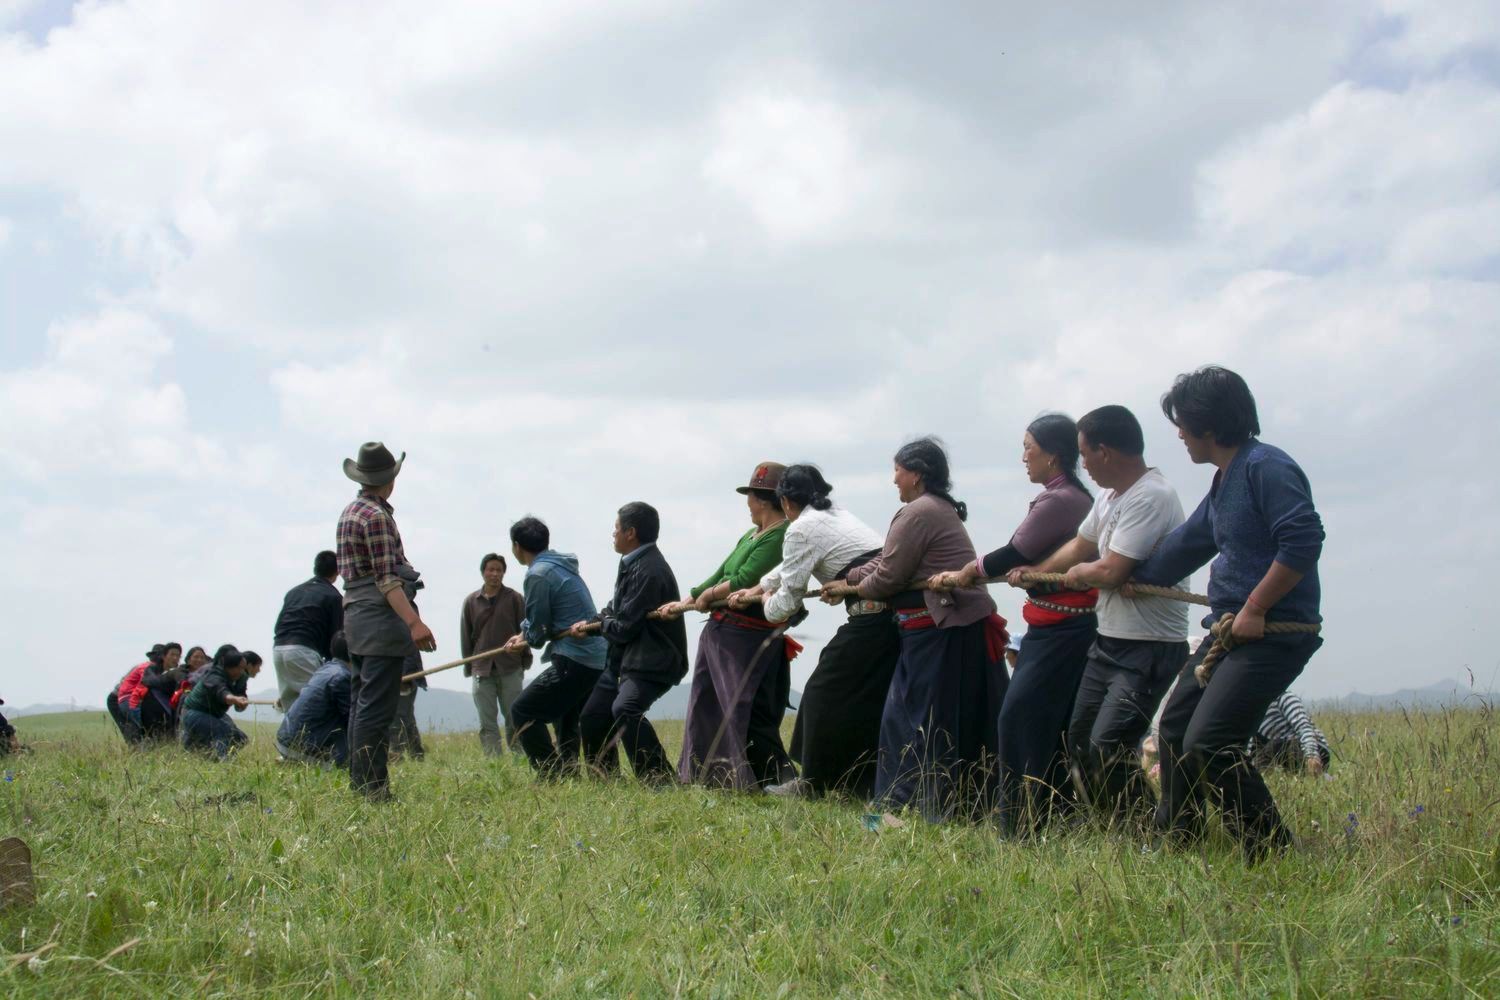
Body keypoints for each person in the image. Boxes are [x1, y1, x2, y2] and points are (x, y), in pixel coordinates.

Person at [1133, 366, 1325, 860]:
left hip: (1271, 633)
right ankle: (1180, 837)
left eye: (1182, 423)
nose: (1178, 434)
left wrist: (1257, 606)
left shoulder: (1267, 467)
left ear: (1209, 425)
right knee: (1175, 729)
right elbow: (1184, 547)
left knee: (1211, 742)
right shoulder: (1225, 481)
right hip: (1231, 635)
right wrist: (1119, 574)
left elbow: (1303, 539)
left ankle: (1271, 851)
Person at [1005, 405, 1189, 827]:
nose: (1082, 464)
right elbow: (1081, 545)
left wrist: (1077, 575)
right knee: (1080, 741)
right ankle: (1118, 826)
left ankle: (1147, 827)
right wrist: (1040, 574)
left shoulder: (1151, 496)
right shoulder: (1108, 496)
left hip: (1149, 646)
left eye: (1085, 454)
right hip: (1108, 640)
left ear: (1105, 452)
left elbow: (1109, 569)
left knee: (1109, 744)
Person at [821, 438, 1009, 822]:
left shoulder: (919, 512)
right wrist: (852, 578)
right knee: (928, 720)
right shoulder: (932, 509)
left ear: (917, 474)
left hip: (941, 631)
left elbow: (888, 578)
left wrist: (852, 588)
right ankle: (930, 807)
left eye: (898, 471)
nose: (894, 480)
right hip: (937, 631)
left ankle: (907, 808)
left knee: (918, 723)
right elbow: (887, 564)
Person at [932, 413, 1097, 836]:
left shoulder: (1060, 500)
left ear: (1054, 455)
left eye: (1029, 447)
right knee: (1054, 723)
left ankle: (1017, 824)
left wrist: (967, 572)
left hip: (1062, 627)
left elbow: (1014, 552)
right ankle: (1053, 816)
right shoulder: (1070, 496)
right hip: (1061, 623)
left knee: (1018, 717)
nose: (1024, 456)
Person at [729, 464, 897, 800]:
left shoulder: (801, 528)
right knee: (864, 702)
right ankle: (858, 784)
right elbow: (790, 568)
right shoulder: (835, 515)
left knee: (821, 694)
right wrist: (761, 586)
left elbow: (786, 603)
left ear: (786, 501)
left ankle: (813, 783)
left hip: (871, 617)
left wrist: (762, 601)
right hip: (889, 618)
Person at [668, 462, 798, 790]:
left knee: (740, 706)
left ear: (762, 499)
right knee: (706, 701)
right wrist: (690, 598)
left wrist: (708, 594)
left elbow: (744, 579)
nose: (747, 504)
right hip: (721, 629)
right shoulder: (749, 535)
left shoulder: (781, 535)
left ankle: (759, 779)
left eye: (750, 496)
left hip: (747, 635)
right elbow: (722, 571)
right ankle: (704, 775)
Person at [336, 442, 437, 801]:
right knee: (377, 710)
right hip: (378, 619)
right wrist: (414, 623)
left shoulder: (351, 511)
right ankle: (373, 789)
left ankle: (360, 783)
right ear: (390, 481)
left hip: (356, 618)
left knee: (361, 703)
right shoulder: (377, 517)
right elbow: (387, 579)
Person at [573, 502, 689, 784]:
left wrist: (602, 624)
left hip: (652, 660)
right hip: (625, 660)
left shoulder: (649, 570)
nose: (613, 534)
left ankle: (660, 781)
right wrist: (590, 625)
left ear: (631, 533)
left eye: (616, 529)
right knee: (592, 717)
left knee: (625, 709)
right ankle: (606, 781)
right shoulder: (632, 563)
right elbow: (615, 610)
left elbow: (624, 627)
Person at [502, 516, 610, 778]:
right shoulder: (561, 566)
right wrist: (523, 633)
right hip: (595, 655)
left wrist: (526, 638)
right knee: (565, 715)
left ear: (517, 546)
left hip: (576, 656)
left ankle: (553, 774)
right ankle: (569, 773)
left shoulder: (537, 575)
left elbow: (539, 633)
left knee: (523, 711)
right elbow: (542, 623)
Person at [461, 553, 531, 755]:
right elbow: (466, 636)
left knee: (513, 718)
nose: (494, 574)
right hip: (481, 668)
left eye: (499, 570)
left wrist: (524, 661)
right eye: (490, 569)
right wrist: (469, 666)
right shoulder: (471, 601)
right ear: (483, 572)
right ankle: (494, 763)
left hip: (510, 666)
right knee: (487, 721)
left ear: (504, 573)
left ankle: (519, 759)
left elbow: (526, 631)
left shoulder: (515, 598)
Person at [272, 551, 345, 712]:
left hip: (278, 649)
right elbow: (336, 638)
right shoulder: (333, 596)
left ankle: (292, 737)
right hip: (304, 651)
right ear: (338, 571)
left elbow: (279, 625)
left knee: (291, 705)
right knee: (320, 701)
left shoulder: (294, 592)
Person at [277, 632, 355, 765]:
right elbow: (353, 720)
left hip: (285, 742)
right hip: (304, 748)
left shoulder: (325, 670)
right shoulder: (342, 678)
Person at [179, 644, 251, 758]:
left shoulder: (241, 678)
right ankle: (222, 762)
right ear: (228, 666)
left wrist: (241, 704)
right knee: (222, 731)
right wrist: (234, 699)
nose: (241, 671)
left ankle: (214, 758)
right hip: (193, 712)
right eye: (239, 668)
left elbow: (240, 697)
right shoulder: (213, 674)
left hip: (215, 714)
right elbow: (221, 691)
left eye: (243, 668)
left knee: (240, 739)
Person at [1251, 691, 1330, 776]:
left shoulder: (1283, 698)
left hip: (1313, 748)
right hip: (1281, 753)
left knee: (1274, 746)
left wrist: (1311, 755)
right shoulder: (1253, 710)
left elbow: (1304, 727)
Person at [131, 641, 186, 742]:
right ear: (164, 656)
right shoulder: (152, 668)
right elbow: (149, 681)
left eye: (178, 655)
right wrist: (168, 677)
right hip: (148, 709)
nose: (175, 658)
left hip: (169, 712)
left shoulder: (179, 672)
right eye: (172, 654)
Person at [108, 646, 162, 745]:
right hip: (119, 699)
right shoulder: (147, 667)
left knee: (138, 731)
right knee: (134, 731)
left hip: (127, 698)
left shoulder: (153, 668)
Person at [388, 652, 426, 761]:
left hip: (402, 674)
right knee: (406, 718)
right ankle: (417, 756)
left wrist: (404, 674)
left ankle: (397, 757)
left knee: (398, 719)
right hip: (401, 672)